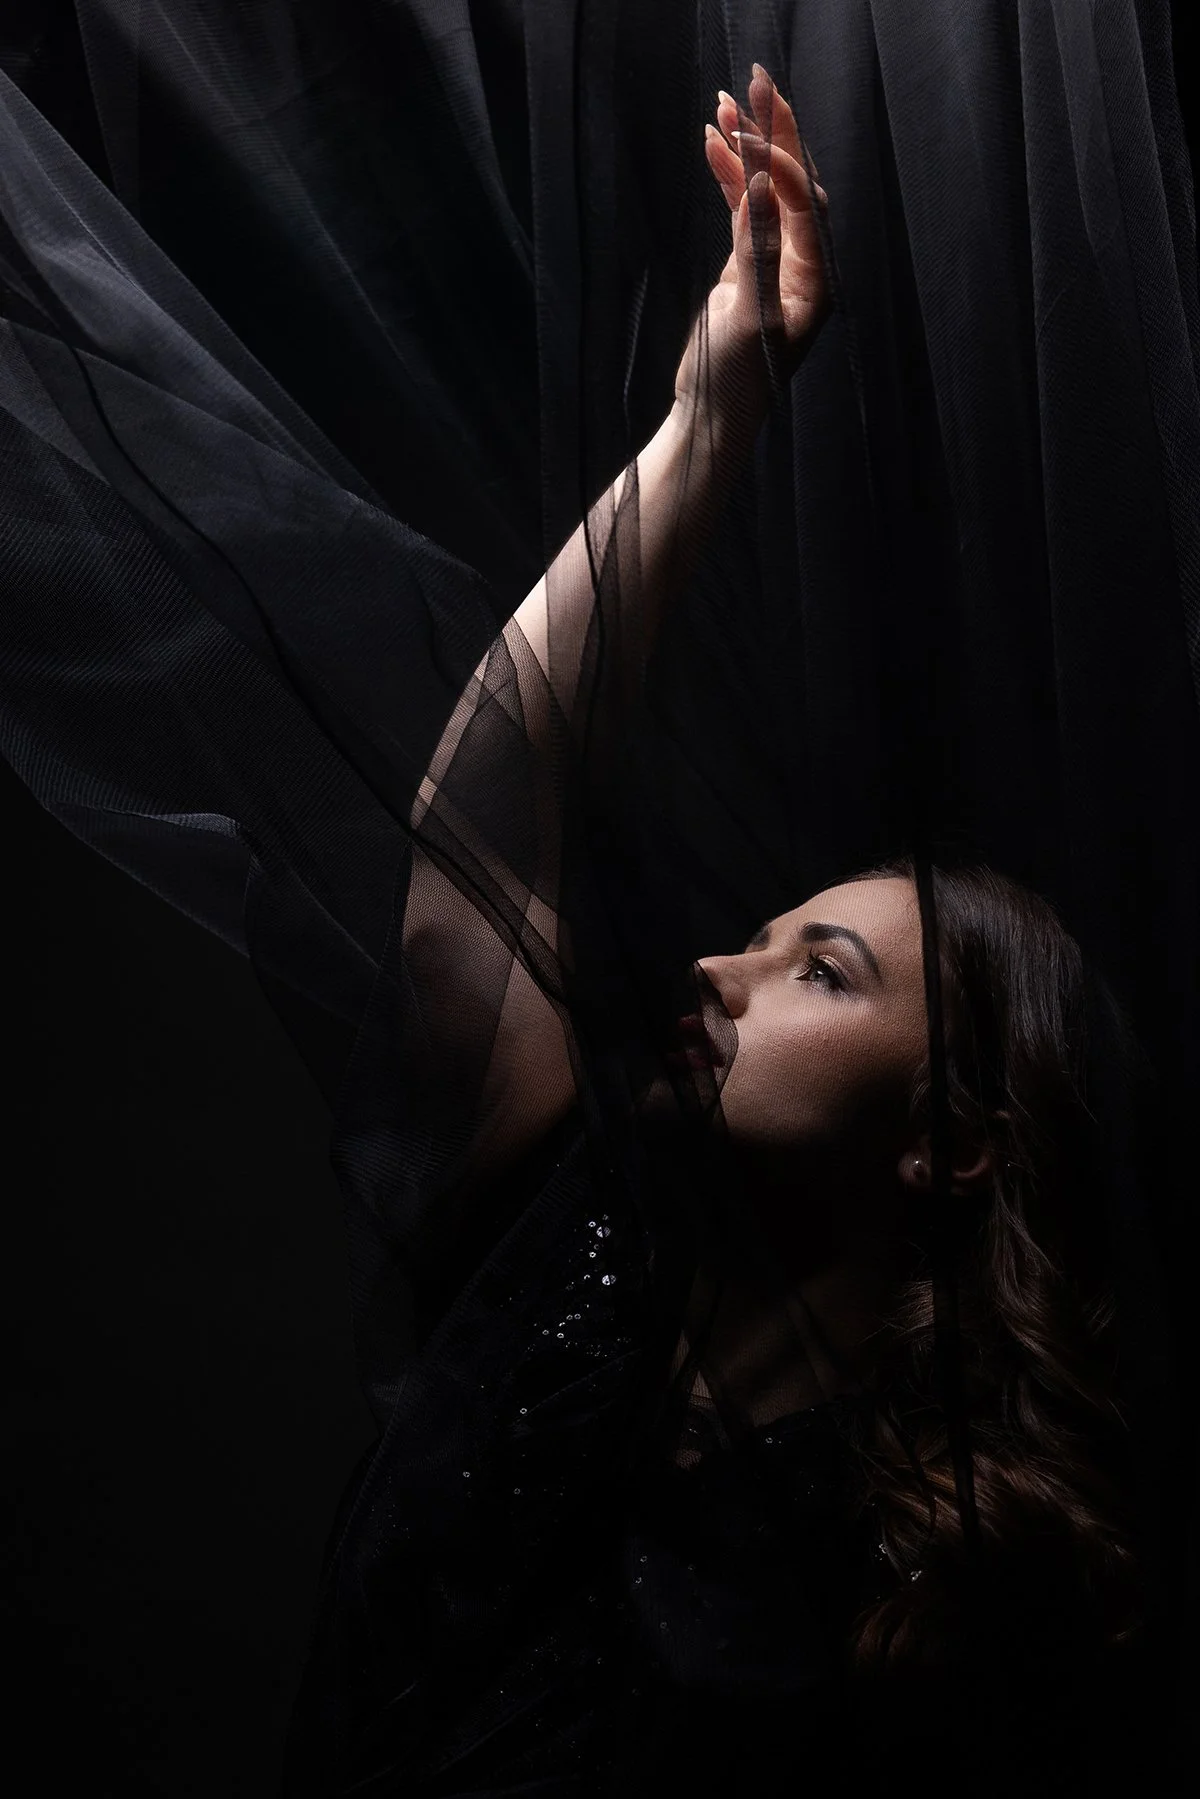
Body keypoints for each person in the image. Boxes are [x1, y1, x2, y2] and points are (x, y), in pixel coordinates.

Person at [280, 70, 1144, 1796]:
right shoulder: (566, 1242)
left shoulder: (942, 1601)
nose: (715, 968)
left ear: (952, 1149)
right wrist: (709, 412)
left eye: (820, 969)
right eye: (765, 937)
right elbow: (487, 839)